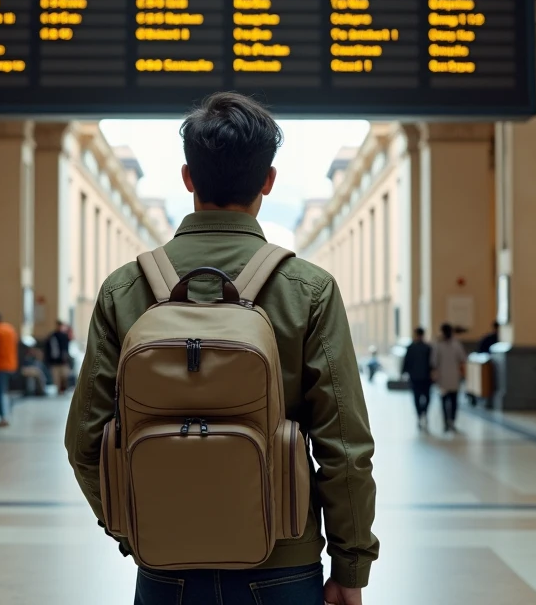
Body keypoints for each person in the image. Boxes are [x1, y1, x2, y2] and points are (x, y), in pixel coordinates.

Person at [66, 92, 378, 605]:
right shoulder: (308, 288)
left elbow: (85, 440)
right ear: (268, 181)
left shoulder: (126, 289)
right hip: (282, 562)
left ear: (188, 177)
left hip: (165, 566)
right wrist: (351, 566)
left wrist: (136, 527)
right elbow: (344, 450)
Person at [431, 322, 467, 434]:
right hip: (454, 378)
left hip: (443, 379)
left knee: (444, 401)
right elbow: (463, 358)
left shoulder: (438, 345)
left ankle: (446, 422)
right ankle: (452, 421)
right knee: (454, 401)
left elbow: (433, 361)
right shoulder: (456, 345)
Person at [402, 327, 433, 430]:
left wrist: (404, 372)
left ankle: (421, 413)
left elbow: (406, 362)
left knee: (420, 397)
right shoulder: (423, 347)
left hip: (419, 377)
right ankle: (422, 413)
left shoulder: (422, 347)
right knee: (423, 397)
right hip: (422, 377)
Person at [45, 320, 72, 395]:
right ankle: (59, 390)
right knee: (56, 378)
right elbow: (48, 349)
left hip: (63, 361)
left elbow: (67, 348)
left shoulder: (64, 336)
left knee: (64, 376)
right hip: (54, 361)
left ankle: (63, 389)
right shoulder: (52, 336)